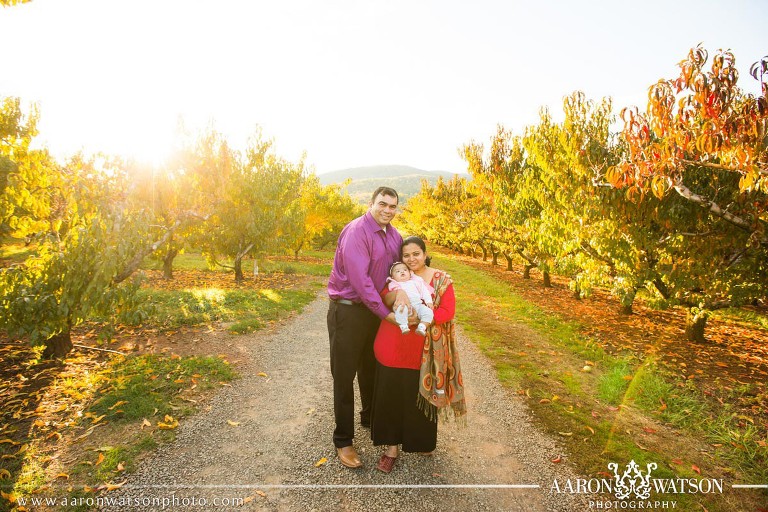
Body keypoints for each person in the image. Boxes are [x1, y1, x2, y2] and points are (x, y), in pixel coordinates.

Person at [327, 186, 411, 469]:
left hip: (374, 313)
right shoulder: (356, 232)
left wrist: (432, 274)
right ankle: (343, 440)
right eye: (383, 204)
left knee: (371, 371)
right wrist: (386, 315)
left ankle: (369, 420)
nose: (388, 210)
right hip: (349, 312)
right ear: (371, 203)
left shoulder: (394, 235)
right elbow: (361, 282)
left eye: (393, 206)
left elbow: (404, 268)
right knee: (344, 375)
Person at [371, 236, 467, 473]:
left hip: (425, 350)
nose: (411, 259)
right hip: (393, 344)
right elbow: (384, 298)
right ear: (400, 258)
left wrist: (424, 317)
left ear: (425, 254)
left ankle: (421, 441)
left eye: (416, 253)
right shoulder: (397, 276)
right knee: (391, 395)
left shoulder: (440, 279)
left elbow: (448, 310)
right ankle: (391, 448)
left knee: (419, 395)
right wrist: (399, 296)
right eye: (406, 255)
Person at [387, 261, 433, 336]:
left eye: (405, 270)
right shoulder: (394, 284)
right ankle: (403, 326)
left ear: (410, 273)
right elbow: (393, 297)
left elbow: (424, 291)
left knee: (428, 312)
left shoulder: (415, 282)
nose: (402, 272)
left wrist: (429, 301)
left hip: (418, 305)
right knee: (400, 311)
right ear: (393, 277)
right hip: (404, 305)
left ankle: (422, 326)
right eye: (397, 271)